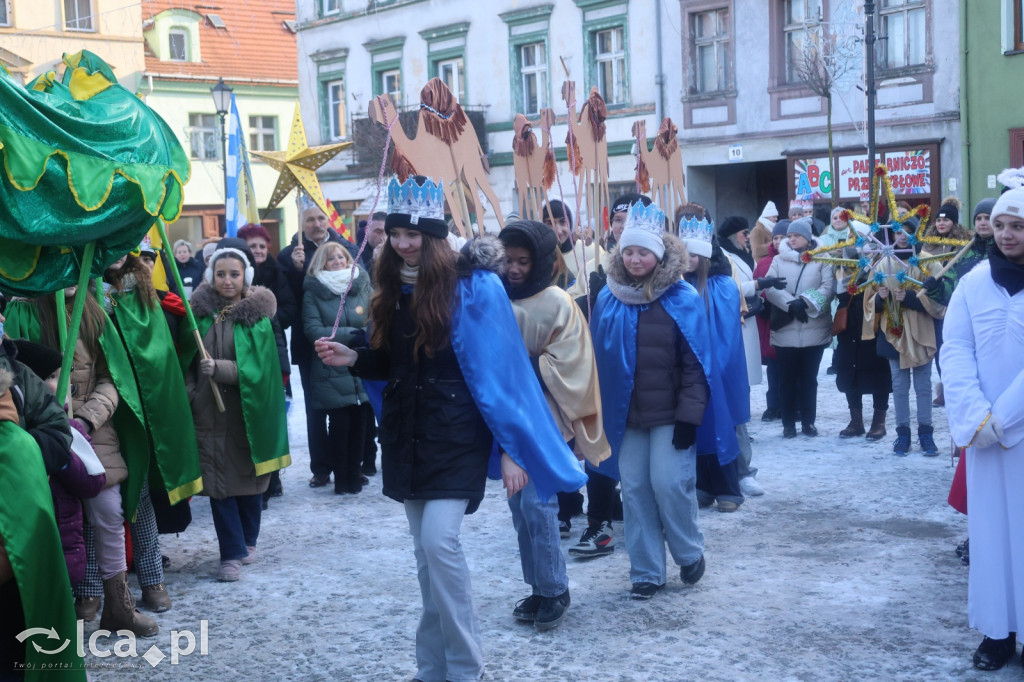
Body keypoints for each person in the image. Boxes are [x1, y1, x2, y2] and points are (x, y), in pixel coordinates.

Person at [315, 176, 586, 681]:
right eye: (395, 235)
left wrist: (513, 448)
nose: (402, 244)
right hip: (407, 434)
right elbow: (396, 362)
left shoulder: (475, 286)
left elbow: (502, 373)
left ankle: (466, 669)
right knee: (426, 559)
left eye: (413, 235)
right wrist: (355, 357)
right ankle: (432, 667)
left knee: (440, 544)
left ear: (435, 235)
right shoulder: (392, 286)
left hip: (458, 434)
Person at [590, 201, 726, 599]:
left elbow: (696, 363)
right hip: (626, 416)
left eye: (643, 252)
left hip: (670, 414)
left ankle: (687, 552)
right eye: (628, 251)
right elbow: (599, 360)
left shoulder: (681, 297)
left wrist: (689, 418)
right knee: (633, 490)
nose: (635, 259)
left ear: (659, 253)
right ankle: (646, 570)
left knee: (669, 484)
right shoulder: (609, 298)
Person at [498, 219, 610, 630]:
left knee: (537, 503)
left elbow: (575, 362)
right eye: (507, 259)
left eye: (522, 261)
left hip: (549, 417)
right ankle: (539, 585)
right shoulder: (497, 297)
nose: (512, 268)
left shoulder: (558, 301)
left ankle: (555, 588)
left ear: (541, 261)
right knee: (517, 504)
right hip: (511, 418)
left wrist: (525, 364)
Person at [29, 288, 159, 635]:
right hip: (44, 431)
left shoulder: (95, 314)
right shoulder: (28, 312)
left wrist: (87, 419)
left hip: (94, 434)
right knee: (50, 521)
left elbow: (112, 378)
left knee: (109, 513)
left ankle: (119, 604)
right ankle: (52, 611)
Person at [941, 187, 1024, 671]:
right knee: (991, 535)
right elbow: (955, 350)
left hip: (1016, 431)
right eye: (1003, 224)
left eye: (1019, 226)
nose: (1009, 234)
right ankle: (998, 632)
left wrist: (1004, 417)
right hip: (985, 441)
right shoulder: (972, 283)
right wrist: (976, 417)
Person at [184, 247, 290, 581]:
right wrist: (192, 392)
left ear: (246, 276)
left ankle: (247, 539)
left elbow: (259, 369)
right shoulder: (198, 316)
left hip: (246, 416)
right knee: (220, 487)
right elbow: (184, 361)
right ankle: (230, 553)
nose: (227, 280)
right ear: (210, 276)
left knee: (251, 483)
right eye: (220, 274)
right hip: (209, 415)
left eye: (234, 273)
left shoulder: (256, 319)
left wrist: (221, 369)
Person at [279, 201, 357, 488]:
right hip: (310, 342)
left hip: (347, 343)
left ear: (328, 221)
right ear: (302, 224)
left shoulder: (344, 248)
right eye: (310, 219)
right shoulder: (290, 255)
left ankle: (349, 464)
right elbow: (288, 297)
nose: (316, 223)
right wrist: (295, 269)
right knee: (316, 410)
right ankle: (321, 468)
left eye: (321, 218)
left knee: (349, 408)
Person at [685, 213, 751, 511]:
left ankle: (728, 487)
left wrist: (713, 365)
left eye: (694, 254)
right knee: (694, 425)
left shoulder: (723, 286)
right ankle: (703, 485)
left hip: (716, 368)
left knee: (721, 424)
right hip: (688, 368)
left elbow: (727, 334)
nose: (688, 259)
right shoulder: (676, 287)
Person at [864, 227, 945, 455]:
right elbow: (868, 301)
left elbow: (940, 297)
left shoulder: (928, 262)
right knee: (899, 386)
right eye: (897, 233)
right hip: (893, 332)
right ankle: (902, 434)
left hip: (921, 331)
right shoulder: (881, 264)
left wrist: (912, 299)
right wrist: (880, 300)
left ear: (914, 235)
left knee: (923, 386)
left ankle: (926, 434)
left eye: (907, 233)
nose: (901, 238)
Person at [302, 242, 370, 495]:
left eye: (342, 257)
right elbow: (314, 330)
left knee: (361, 426)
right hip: (330, 365)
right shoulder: (314, 291)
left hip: (361, 364)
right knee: (340, 428)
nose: (338, 261)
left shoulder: (362, 285)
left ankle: (356, 474)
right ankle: (342, 480)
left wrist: (363, 337)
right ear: (322, 263)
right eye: (331, 259)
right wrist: (355, 335)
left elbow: (375, 320)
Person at [238, 224, 296, 502]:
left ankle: (272, 479)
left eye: (262, 246)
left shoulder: (276, 272)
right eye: (253, 246)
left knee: (273, 420)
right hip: (240, 357)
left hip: (272, 351)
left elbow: (288, 308)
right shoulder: (231, 275)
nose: (258, 251)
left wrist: (265, 318)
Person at [763, 218, 834, 438]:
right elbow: (770, 286)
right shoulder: (778, 260)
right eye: (790, 236)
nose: (792, 239)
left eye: (797, 236)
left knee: (809, 379)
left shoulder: (823, 258)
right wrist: (791, 305)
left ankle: (808, 422)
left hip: (814, 328)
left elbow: (828, 287)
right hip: (786, 330)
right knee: (786, 379)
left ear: (807, 238)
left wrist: (805, 302)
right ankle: (787, 424)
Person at [753, 220, 790, 422]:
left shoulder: (796, 259)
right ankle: (773, 405)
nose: (778, 241)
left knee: (793, 368)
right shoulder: (764, 263)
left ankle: (793, 405)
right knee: (774, 368)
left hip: (790, 318)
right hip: (769, 321)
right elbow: (756, 286)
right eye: (775, 238)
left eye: (782, 237)